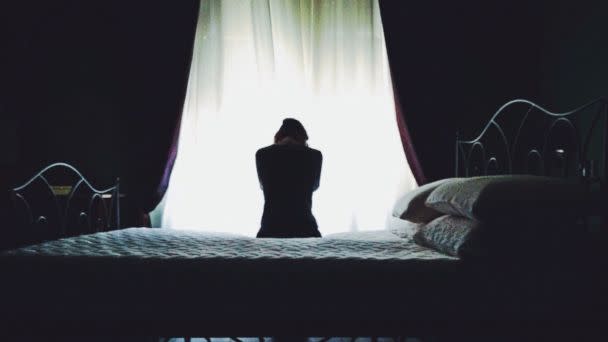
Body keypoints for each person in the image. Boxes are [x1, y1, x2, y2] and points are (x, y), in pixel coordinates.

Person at [256, 118, 322, 238]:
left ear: (279, 136)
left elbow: (263, 185)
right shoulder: (315, 155)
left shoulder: (261, 154)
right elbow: (315, 186)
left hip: (271, 226)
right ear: (303, 137)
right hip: (305, 226)